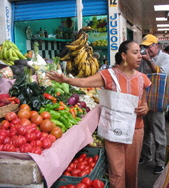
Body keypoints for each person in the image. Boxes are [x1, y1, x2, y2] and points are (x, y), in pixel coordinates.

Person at [47, 40, 151, 188]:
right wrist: (66, 79)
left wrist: (145, 107)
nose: (140, 56)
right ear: (124, 55)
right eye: (135, 53)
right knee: (117, 172)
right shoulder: (108, 75)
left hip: (136, 130)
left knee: (131, 170)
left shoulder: (143, 78)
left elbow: (144, 102)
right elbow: (84, 82)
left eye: (139, 52)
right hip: (113, 130)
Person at [138, 34, 169, 174]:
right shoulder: (142, 59)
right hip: (144, 99)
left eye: (148, 46)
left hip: (157, 100)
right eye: (144, 47)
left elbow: (162, 74)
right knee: (145, 131)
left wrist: (149, 61)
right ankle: (146, 155)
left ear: (156, 45)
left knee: (158, 132)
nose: (146, 49)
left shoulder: (165, 58)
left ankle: (160, 161)